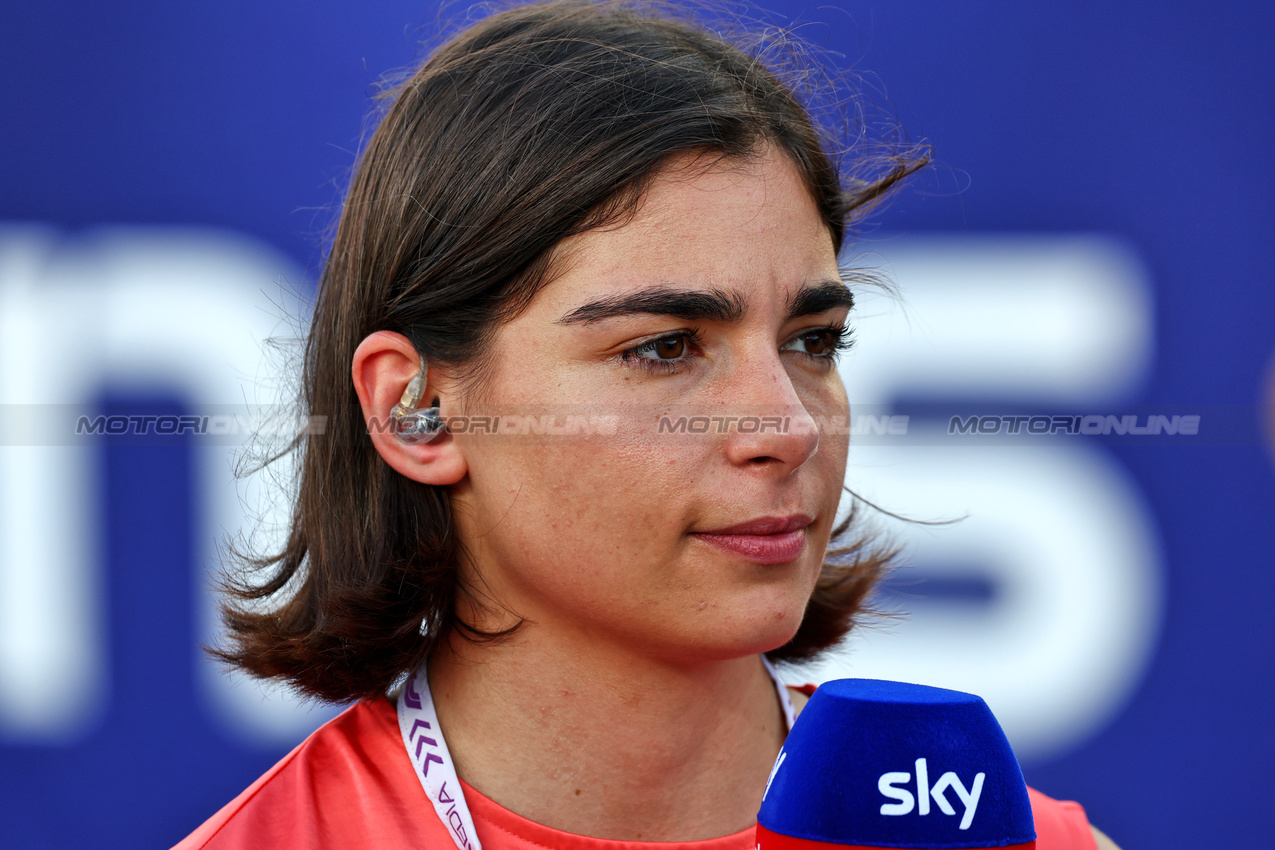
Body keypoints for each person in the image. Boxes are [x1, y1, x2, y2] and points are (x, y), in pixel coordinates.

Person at [174, 1, 1118, 847]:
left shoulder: (1019, 841)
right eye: (664, 348)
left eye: (812, 342)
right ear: (415, 410)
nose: (785, 427)